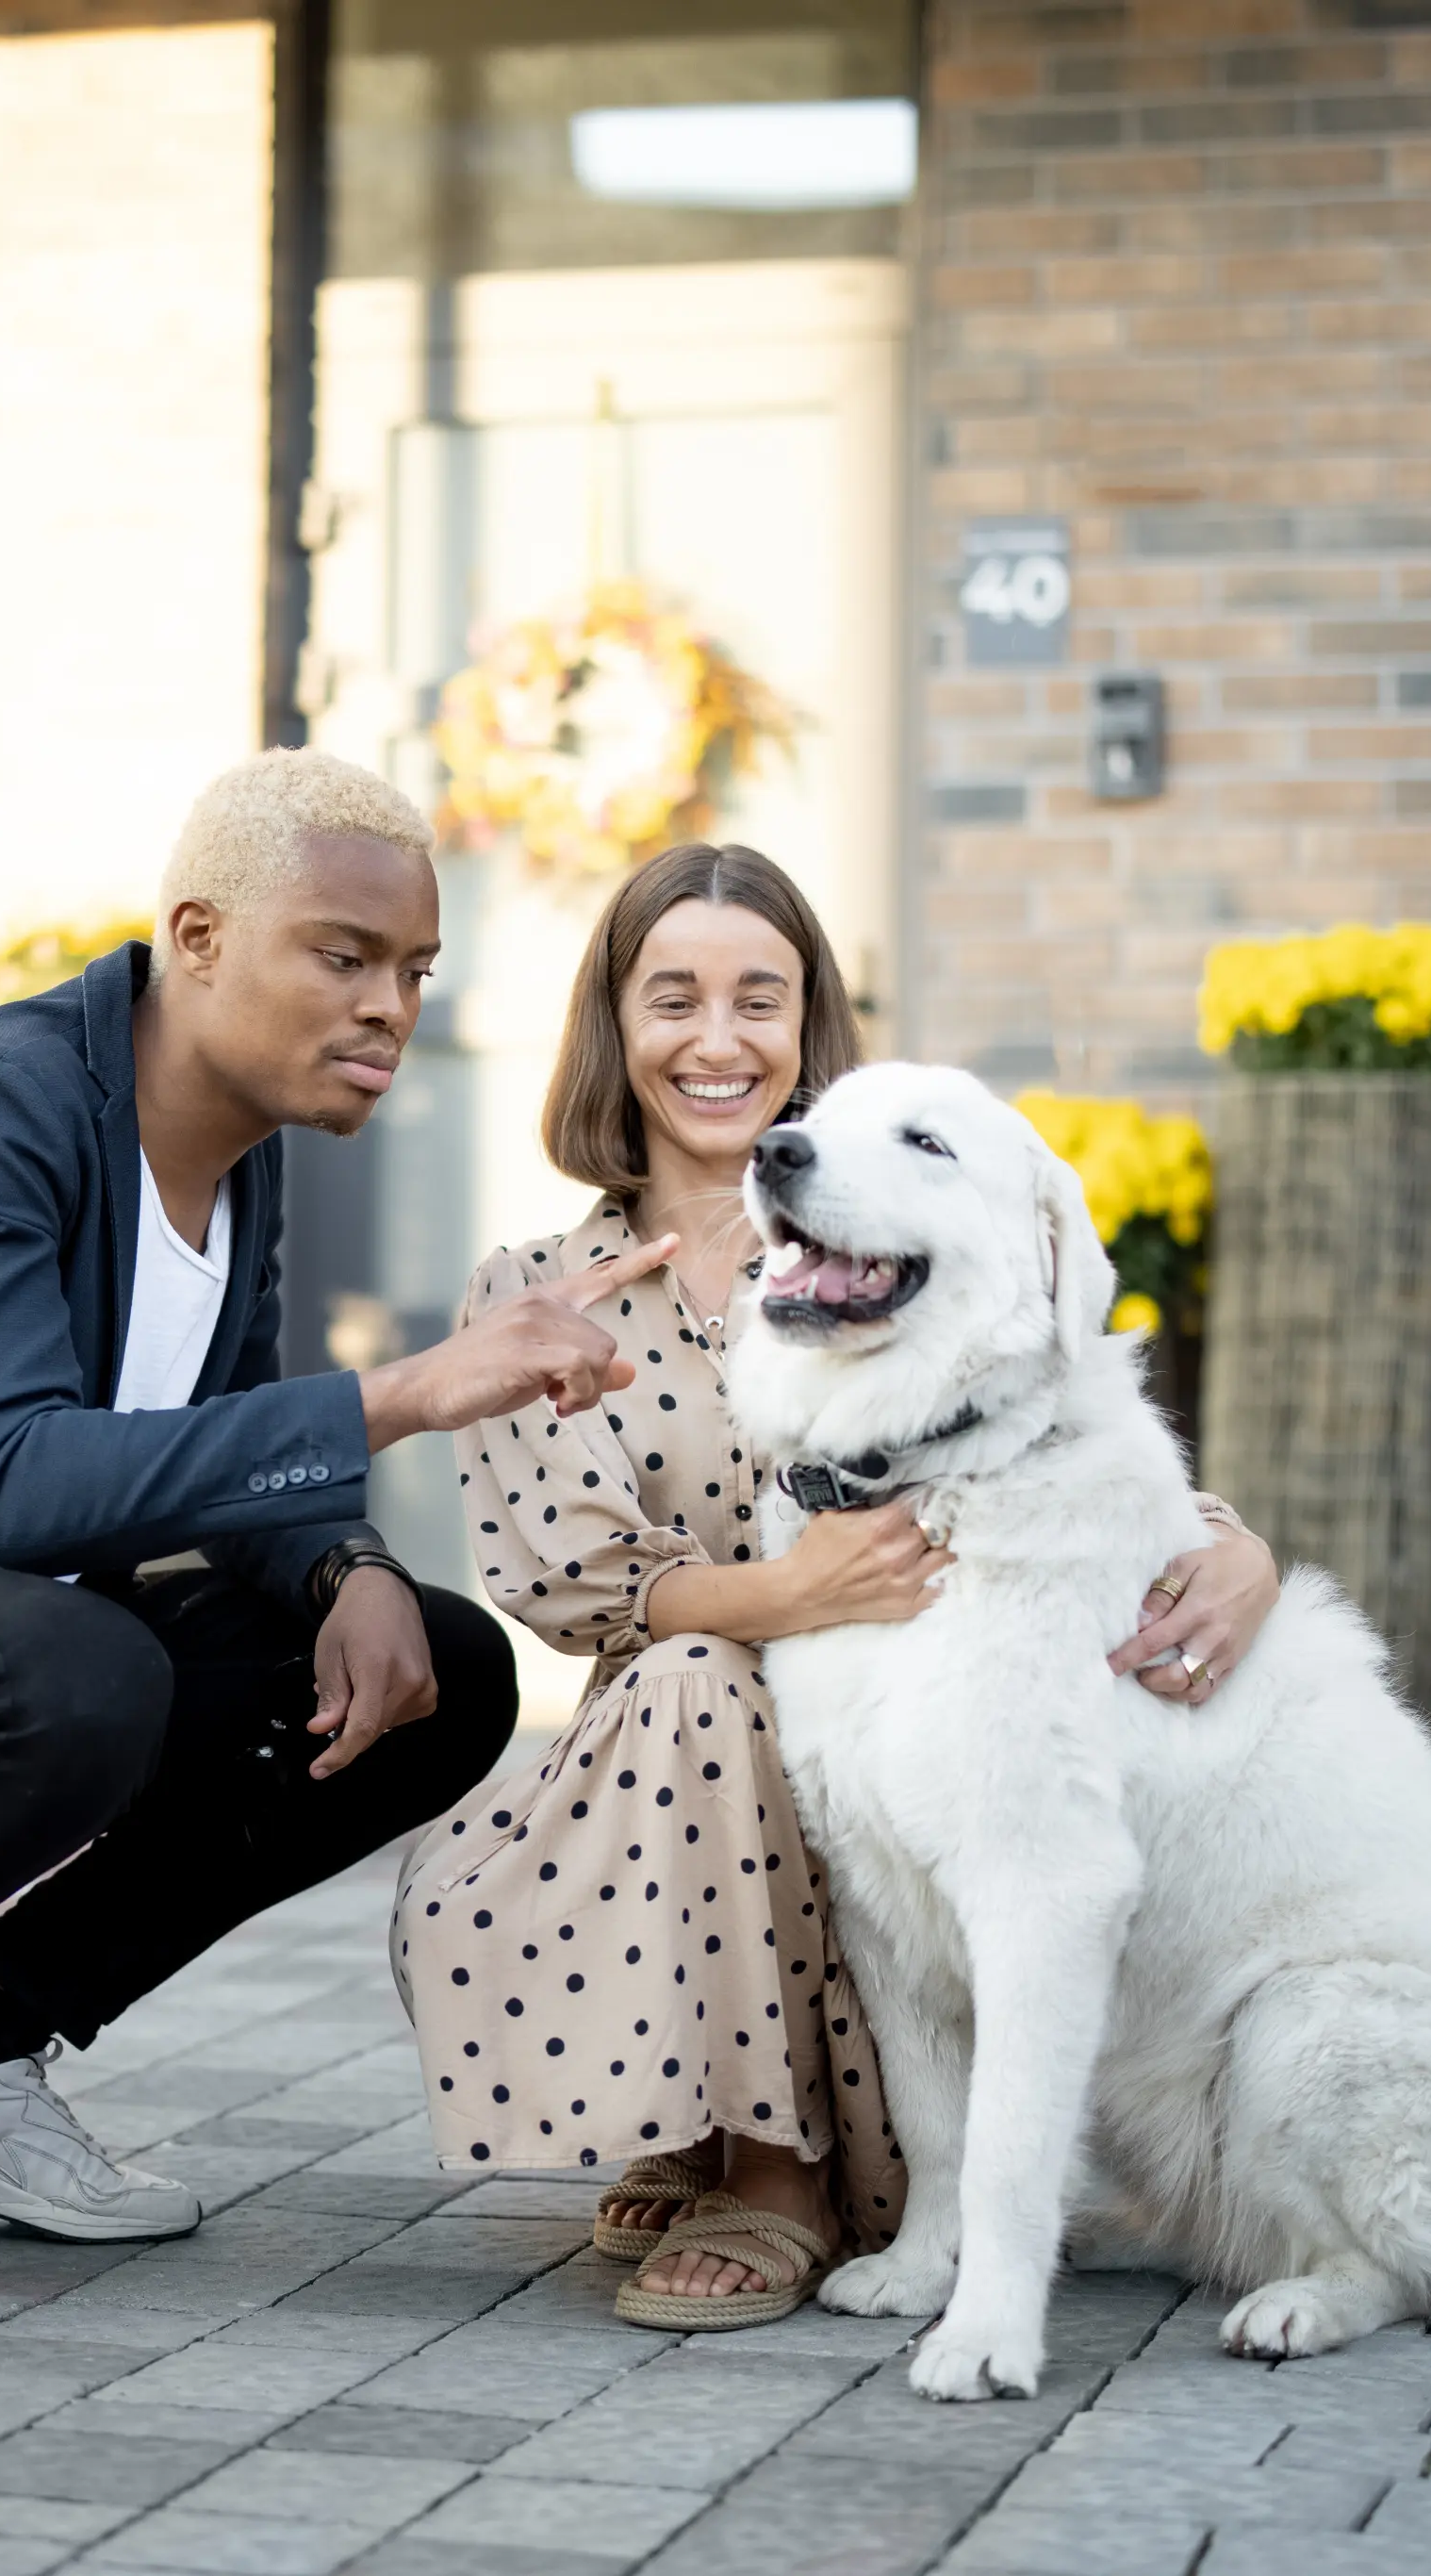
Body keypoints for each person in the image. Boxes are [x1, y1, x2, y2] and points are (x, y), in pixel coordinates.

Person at [0, 751, 681, 2334]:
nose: (389, 1008)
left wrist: (345, 1569)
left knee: (444, 1669)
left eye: (414, 971)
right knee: (78, 1670)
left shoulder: (239, 1160)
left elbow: (214, 1450)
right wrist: (412, 1393)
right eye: (343, 958)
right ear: (198, 936)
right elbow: (10, 1483)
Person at [394, 843, 1284, 2331]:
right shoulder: (539, 1284)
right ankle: (737, 2143)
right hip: (670, 1811)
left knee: (807, 1729)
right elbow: (565, 1584)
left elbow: (1030, 1420)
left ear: (813, 1031)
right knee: (699, 1684)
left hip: (904, 1816)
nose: (719, 1039)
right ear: (616, 1027)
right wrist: (785, 1594)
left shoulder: (899, 1240)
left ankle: (800, 2173)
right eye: (671, 997)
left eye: (763, 998)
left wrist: (1222, 1539)